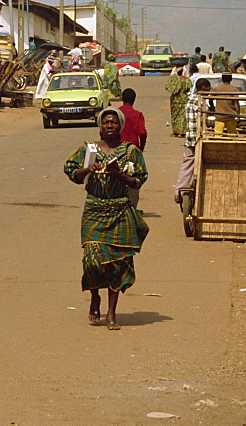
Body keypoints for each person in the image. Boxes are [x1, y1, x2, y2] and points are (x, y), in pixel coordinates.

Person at [64, 108, 149, 331]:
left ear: (120, 126)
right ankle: (94, 297)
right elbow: (71, 171)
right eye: (106, 123)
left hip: (120, 210)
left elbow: (138, 180)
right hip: (94, 209)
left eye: (114, 122)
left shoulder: (131, 152)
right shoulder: (89, 149)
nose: (110, 126)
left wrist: (118, 174)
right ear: (101, 127)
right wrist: (86, 170)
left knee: (118, 263)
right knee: (92, 259)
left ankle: (112, 312)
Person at [175, 79, 211, 203]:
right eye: (209, 88)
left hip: (189, 138)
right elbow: (204, 120)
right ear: (204, 87)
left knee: (187, 165)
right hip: (198, 138)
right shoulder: (201, 102)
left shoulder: (190, 100)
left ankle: (179, 191)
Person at [117, 88, 147, 208]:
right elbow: (143, 133)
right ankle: (131, 206)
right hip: (132, 152)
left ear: (122, 99)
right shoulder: (137, 115)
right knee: (133, 178)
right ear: (134, 100)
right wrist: (140, 148)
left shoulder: (115, 114)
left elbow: (102, 133)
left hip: (116, 150)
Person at [165, 66, 192, 137]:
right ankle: (182, 132)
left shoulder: (173, 79)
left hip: (174, 99)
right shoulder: (186, 80)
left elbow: (168, 87)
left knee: (174, 115)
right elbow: (188, 90)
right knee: (182, 116)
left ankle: (175, 131)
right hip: (183, 99)